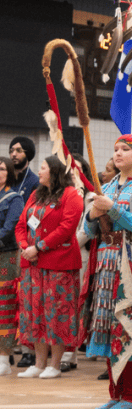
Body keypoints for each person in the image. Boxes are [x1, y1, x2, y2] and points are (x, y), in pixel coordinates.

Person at [83, 137, 132, 409]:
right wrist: (93, 214)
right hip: (107, 260)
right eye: (116, 149)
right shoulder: (106, 187)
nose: (118, 153)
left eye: (125, 149)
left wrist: (112, 208)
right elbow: (90, 231)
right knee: (108, 323)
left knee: (129, 324)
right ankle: (115, 393)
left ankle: (130, 396)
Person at [10, 155, 80, 381]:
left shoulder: (71, 195)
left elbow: (67, 227)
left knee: (56, 312)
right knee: (34, 312)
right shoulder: (35, 194)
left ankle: (56, 364)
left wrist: (38, 247)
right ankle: (39, 364)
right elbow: (21, 224)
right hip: (32, 264)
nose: (39, 172)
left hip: (58, 264)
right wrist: (24, 245)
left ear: (55, 171)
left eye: (43, 168)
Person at [0, 156, 24, 376]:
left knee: (4, 307)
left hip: (5, 256)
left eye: (1, 169)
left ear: (9, 172)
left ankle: (4, 357)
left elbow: (10, 228)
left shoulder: (13, 198)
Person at [9, 137, 39, 202]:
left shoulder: (36, 183)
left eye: (19, 150)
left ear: (28, 154)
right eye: (11, 151)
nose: (13, 154)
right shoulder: (5, 178)